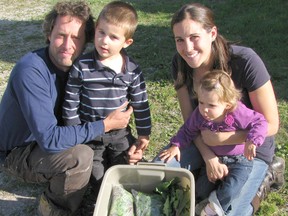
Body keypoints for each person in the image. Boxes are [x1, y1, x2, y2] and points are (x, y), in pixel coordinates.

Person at [0, 1, 141, 215]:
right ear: (49, 33)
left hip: (53, 137)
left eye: (76, 37)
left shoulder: (82, 69)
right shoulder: (31, 70)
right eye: (61, 35)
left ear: (86, 41)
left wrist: (130, 143)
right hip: (19, 151)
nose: (67, 45)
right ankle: (54, 207)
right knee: (80, 157)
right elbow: (49, 140)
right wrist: (105, 125)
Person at [153, 3, 284, 215]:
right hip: (202, 139)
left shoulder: (245, 61)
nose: (187, 48)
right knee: (157, 171)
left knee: (227, 210)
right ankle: (202, 176)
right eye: (179, 40)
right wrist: (209, 156)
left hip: (249, 149)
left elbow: (272, 124)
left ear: (212, 33)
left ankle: (263, 182)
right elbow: (190, 123)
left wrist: (221, 140)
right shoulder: (180, 63)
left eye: (194, 37)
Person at [62, 0, 151, 197]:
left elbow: (141, 103)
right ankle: (99, 199)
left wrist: (144, 134)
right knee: (97, 176)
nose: (104, 41)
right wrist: (76, 132)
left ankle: (123, 197)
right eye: (101, 32)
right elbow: (71, 101)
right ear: (95, 30)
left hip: (119, 133)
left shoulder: (132, 70)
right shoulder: (82, 65)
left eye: (113, 37)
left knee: (125, 169)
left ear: (126, 42)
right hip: (91, 135)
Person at [159, 70, 268, 215]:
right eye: (201, 102)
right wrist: (176, 145)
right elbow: (187, 130)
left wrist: (252, 140)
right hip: (214, 159)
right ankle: (203, 203)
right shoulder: (199, 115)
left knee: (231, 189)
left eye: (211, 105)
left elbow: (260, 122)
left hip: (240, 161)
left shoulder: (237, 112)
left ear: (227, 105)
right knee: (199, 190)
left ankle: (212, 209)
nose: (204, 109)